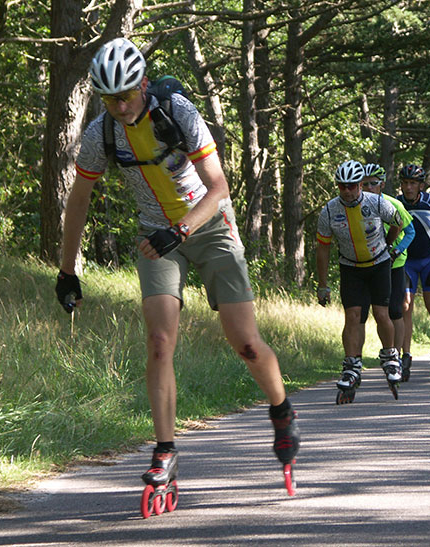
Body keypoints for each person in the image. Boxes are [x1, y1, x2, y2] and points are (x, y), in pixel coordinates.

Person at [55, 38, 299, 489]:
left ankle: (281, 409)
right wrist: (68, 270)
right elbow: (79, 201)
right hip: (156, 238)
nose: (120, 105)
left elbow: (219, 188)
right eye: (109, 98)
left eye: (126, 94)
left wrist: (182, 228)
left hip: (208, 226)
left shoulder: (179, 112)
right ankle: (165, 451)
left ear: (143, 84)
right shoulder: (99, 135)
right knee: (159, 340)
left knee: (244, 342)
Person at [315, 160, 405, 402]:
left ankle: (391, 357)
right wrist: (322, 285)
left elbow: (399, 222)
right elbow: (322, 249)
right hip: (350, 267)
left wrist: (388, 242)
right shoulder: (329, 210)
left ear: (360, 185)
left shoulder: (375, 202)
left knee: (381, 313)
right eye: (342, 186)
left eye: (352, 186)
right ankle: (352, 364)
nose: (347, 191)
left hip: (379, 264)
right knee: (353, 316)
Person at [358, 163, 416, 380]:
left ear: (382, 184)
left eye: (374, 183)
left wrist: (396, 249)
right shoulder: (358, 205)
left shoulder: (393, 204)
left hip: (395, 263)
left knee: (395, 310)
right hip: (369, 264)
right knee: (374, 311)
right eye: (365, 184)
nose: (369, 187)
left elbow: (410, 232)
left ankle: (398, 356)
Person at [396, 164, 430, 378]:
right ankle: (405, 354)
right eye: (405, 183)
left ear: (421, 185)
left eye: (413, 183)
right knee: (405, 305)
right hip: (406, 261)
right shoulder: (396, 203)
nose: (408, 187)